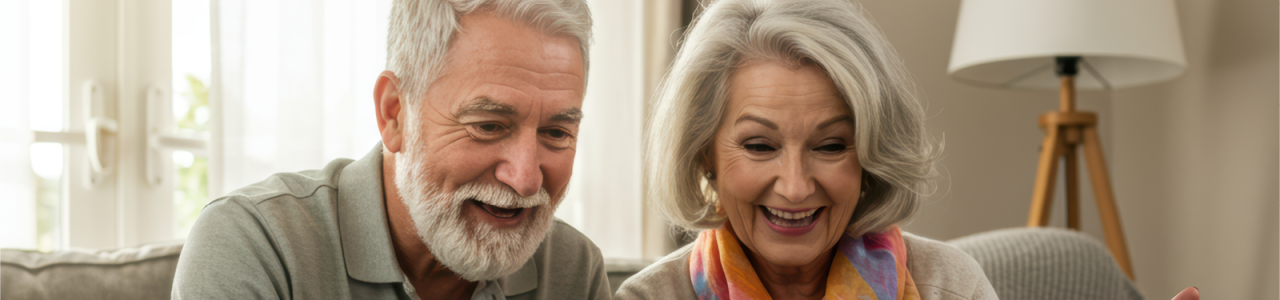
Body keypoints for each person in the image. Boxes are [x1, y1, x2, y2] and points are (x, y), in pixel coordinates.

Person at [171, 0, 611, 299]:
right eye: (488, 125)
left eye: (556, 133)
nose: (525, 178)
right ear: (395, 114)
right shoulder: (256, 246)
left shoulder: (573, 272)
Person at [617, 0, 997, 299]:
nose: (795, 187)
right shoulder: (650, 296)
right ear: (704, 153)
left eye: (830, 146)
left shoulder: (949, 287)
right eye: (760, 146)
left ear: (871, 154)